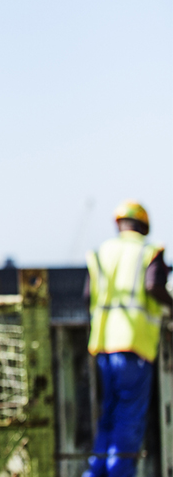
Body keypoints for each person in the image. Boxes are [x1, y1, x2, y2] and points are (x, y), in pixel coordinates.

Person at [84, 200, 171, 477]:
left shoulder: (101, 253)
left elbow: (88, 296)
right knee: (128, 417)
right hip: (134, 344)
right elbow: (154, 286)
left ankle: (95, 471)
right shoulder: (149, 251)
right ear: (144, 226)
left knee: (108, 415)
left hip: (103, 346)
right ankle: (120, 472)